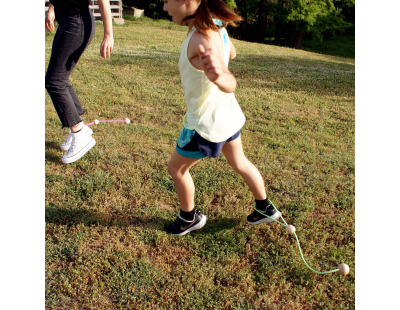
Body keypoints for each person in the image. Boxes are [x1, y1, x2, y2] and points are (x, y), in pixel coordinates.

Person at [163, 0, 281, 236]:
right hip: (227, 114)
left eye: (167, 1)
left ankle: (188, 218)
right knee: (240, 162)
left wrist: (218, 75)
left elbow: (229, 81)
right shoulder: (217, 27)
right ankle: (265, 207)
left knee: (176, 170)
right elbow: (232, 52)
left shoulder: (200, 38)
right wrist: (217, 62)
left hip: (206, 123)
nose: (165, 8)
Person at [45, 0, 114, 164]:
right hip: (66, 22)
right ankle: (77, 127)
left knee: (54, 81)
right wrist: (52, 8)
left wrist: (108, 35)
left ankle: (79, 131)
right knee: (60, 77)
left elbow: (103, 1)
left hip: (76, 24)